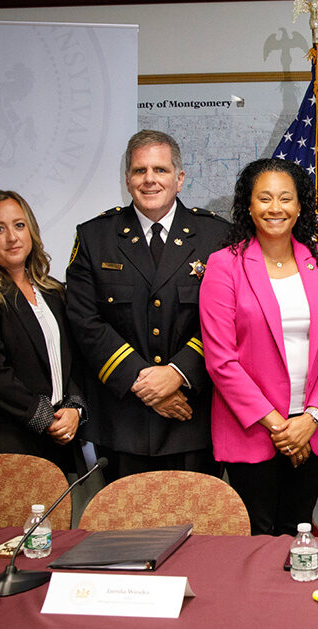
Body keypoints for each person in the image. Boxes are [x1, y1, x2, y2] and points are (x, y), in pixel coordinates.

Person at [66, 130, 230, 481]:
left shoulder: (218, 237)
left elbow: (231, 319)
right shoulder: (95, 237)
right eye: (140, 171)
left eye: (160, 169)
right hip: (124, 419)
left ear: (179, 178)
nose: (150, 180)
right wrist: (143, 383)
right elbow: (84, 320)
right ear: (127, 179)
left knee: (201, 530)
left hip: (192, 416)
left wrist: (177, 374)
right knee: (125, 534)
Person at [199, 159, 318, 536]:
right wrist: (280, 427)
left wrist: (310, 419)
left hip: (312, 428)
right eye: (264, 198)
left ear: (300, 206)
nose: (275, 208)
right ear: (248, 207)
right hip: (253, 430)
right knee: (259, 537)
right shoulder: (224, 265)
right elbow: (221, 360)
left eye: (285, 198)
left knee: (299, 534)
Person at [0, 191, 86, 472]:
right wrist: (46, 418)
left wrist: (74, 409)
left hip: (56, 445)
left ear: (31, 230)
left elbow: (75, 361)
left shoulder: (54, 292)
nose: (12, 237)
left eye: (19, 225)